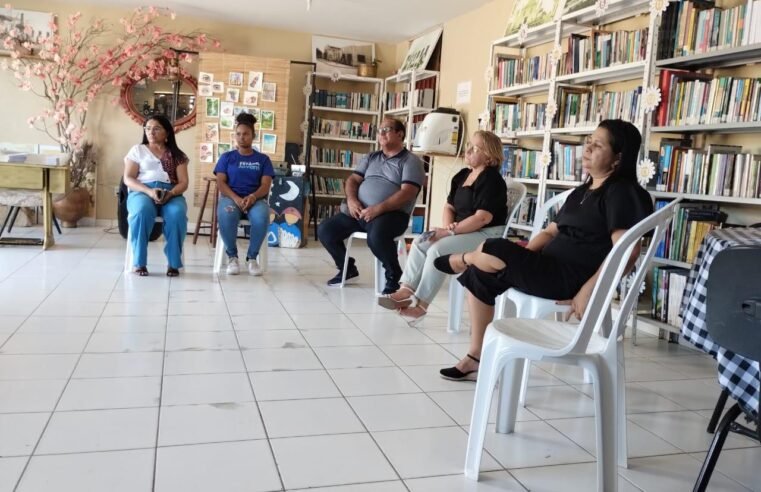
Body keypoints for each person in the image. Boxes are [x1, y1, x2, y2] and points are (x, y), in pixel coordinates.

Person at [435, 119, 653, 381]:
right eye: (588, 142)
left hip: (570, 278)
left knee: (492, 248)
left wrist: (589, 290)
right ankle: (475, 357)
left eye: (597, 145)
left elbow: (627, 252)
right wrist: (523, 255)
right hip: (548, 266)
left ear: (618, 158)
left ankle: (464, 259)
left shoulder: (621, 192)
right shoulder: (582, 191)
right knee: (484, 270)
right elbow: (551, 233)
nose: (587, 149)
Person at [378, 130, 508, 324]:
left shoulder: (491, 179)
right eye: (469, 146)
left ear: (489, 155)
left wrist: (448, 232)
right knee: (422, 240)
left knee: (438, 250)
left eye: (475, 148)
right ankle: (406, 289)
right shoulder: (463, 175)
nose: (469, 151)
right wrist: (448, 227)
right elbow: (449, 206)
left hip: (485, 234)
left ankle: (421, 306)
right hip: (461, 230)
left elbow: (482, 218)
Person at [318, 117, 425, 294]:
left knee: (376, 237)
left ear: (400, 134)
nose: (381, 133)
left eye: (387, 129)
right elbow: (353, 180)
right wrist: (352, 201)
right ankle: (347, 268)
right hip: (360, 212)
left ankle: (394, 276)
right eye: (379, 130)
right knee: (325, 230)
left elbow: (408, 192)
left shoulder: (410, 161)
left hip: (391, 214)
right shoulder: (371, 157)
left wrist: (378, 209)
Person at [124, 114, 189, 276]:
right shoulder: (137, 150)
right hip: (142, 191)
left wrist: (171, 193)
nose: (151, 132)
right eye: (147, 128)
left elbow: (183, 183)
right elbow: (128, 178)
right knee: (141, 212)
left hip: (171, 192)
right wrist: (149, 191)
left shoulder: (177, 155)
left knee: (177, 213)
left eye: (156, 128)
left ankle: (173, 263)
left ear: (167, 132)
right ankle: (139, 262)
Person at [215, 112, 274, 275]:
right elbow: (221, 182)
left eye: (246, 134)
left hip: (256, 200)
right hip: (231, 198)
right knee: (226, 214)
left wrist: (253, 197)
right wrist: (236, 198)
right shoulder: (227, 157)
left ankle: (252, 258)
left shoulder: (263, 159)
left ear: (253, 136)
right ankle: (232, 257)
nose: (242, 137)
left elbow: (266, 185)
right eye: (239, 134)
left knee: (262, 216)